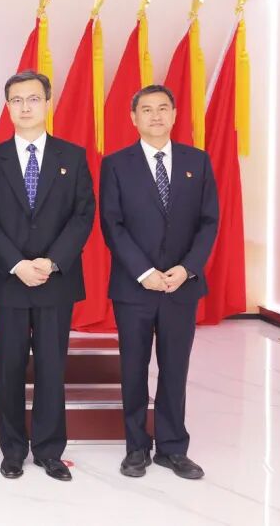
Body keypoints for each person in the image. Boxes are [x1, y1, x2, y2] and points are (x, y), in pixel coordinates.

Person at [0, 70, 95, 481]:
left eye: (32, 99)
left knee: (51, 368)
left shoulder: (72, 157)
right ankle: (12, 450)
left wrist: (52, 261)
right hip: (10, 280)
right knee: (9, 368)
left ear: (48, 103)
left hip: (55, 280)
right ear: (7, 107)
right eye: (16, 100)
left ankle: (49, 450)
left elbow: (82, 215)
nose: (24, 107)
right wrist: (17, 264)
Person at [100, 84, 218, 480]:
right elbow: (112, 224)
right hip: (134, 286)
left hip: (181, 285)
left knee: (175, 367)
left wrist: (187, 268)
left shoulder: (197, 161)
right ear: (133, 118)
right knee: (133, 368)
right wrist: (144, 271)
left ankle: (172, 448)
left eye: (163, 108)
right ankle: (136, 447)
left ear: (174, 114)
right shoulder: (116, 164)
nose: (155, 116)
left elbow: (208, 223)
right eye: (146, 109)